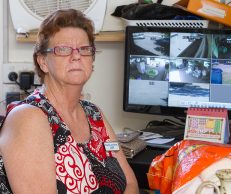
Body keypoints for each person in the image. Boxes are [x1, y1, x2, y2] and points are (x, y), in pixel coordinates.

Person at [0, 9, 139, 194]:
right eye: (63, 49)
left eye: (84, 49)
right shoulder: (28, 118)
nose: (76, 56)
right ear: (42, 62)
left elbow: (130, 184)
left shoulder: (94, 114)